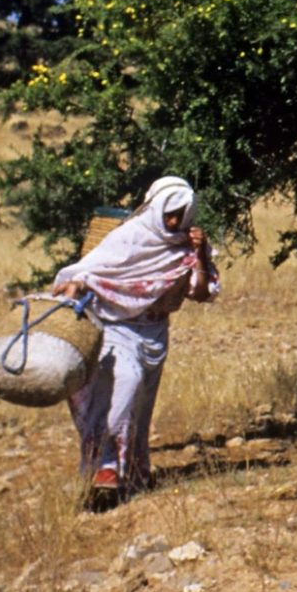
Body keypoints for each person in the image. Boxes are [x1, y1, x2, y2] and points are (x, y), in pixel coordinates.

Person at [52, 176, 215, 507]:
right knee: (127, 382)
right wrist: (75, 288)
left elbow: (200, 292)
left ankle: (130, 478)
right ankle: (105, 466)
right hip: (114, 326)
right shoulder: (130, 237)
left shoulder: (187, 246)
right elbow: (90, 271)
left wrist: (198, 254)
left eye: (180, 215)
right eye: (169, 214)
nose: (173, 222)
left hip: (154, 335)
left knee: (140, 408)